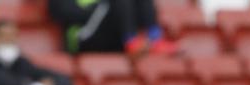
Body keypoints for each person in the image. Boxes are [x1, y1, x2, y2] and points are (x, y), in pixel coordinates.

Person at [48, 0, 176, 54]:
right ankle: (130, 41)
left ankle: (155, 38)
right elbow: (61, 13)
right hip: (82, 38)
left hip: (111, 36)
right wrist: (95, 9)